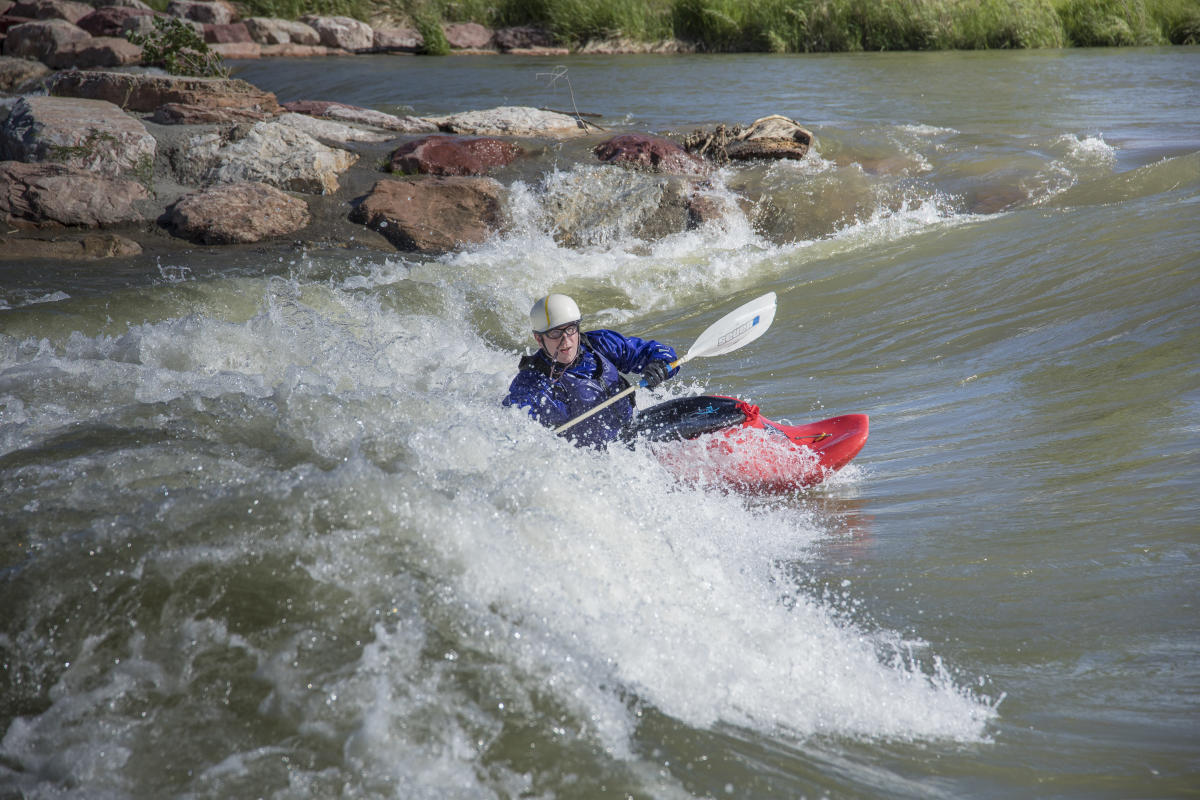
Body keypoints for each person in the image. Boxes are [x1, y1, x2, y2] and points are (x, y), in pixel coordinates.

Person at [504, 293, 678, 447]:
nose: (566, 341)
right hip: (597, 460)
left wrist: (660, 365)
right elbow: (514, 436)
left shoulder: (601, 344)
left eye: (570, 329)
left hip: (635, 430)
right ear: (539, 339)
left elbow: (654, 351)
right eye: (555, 333)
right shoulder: (530, 386)